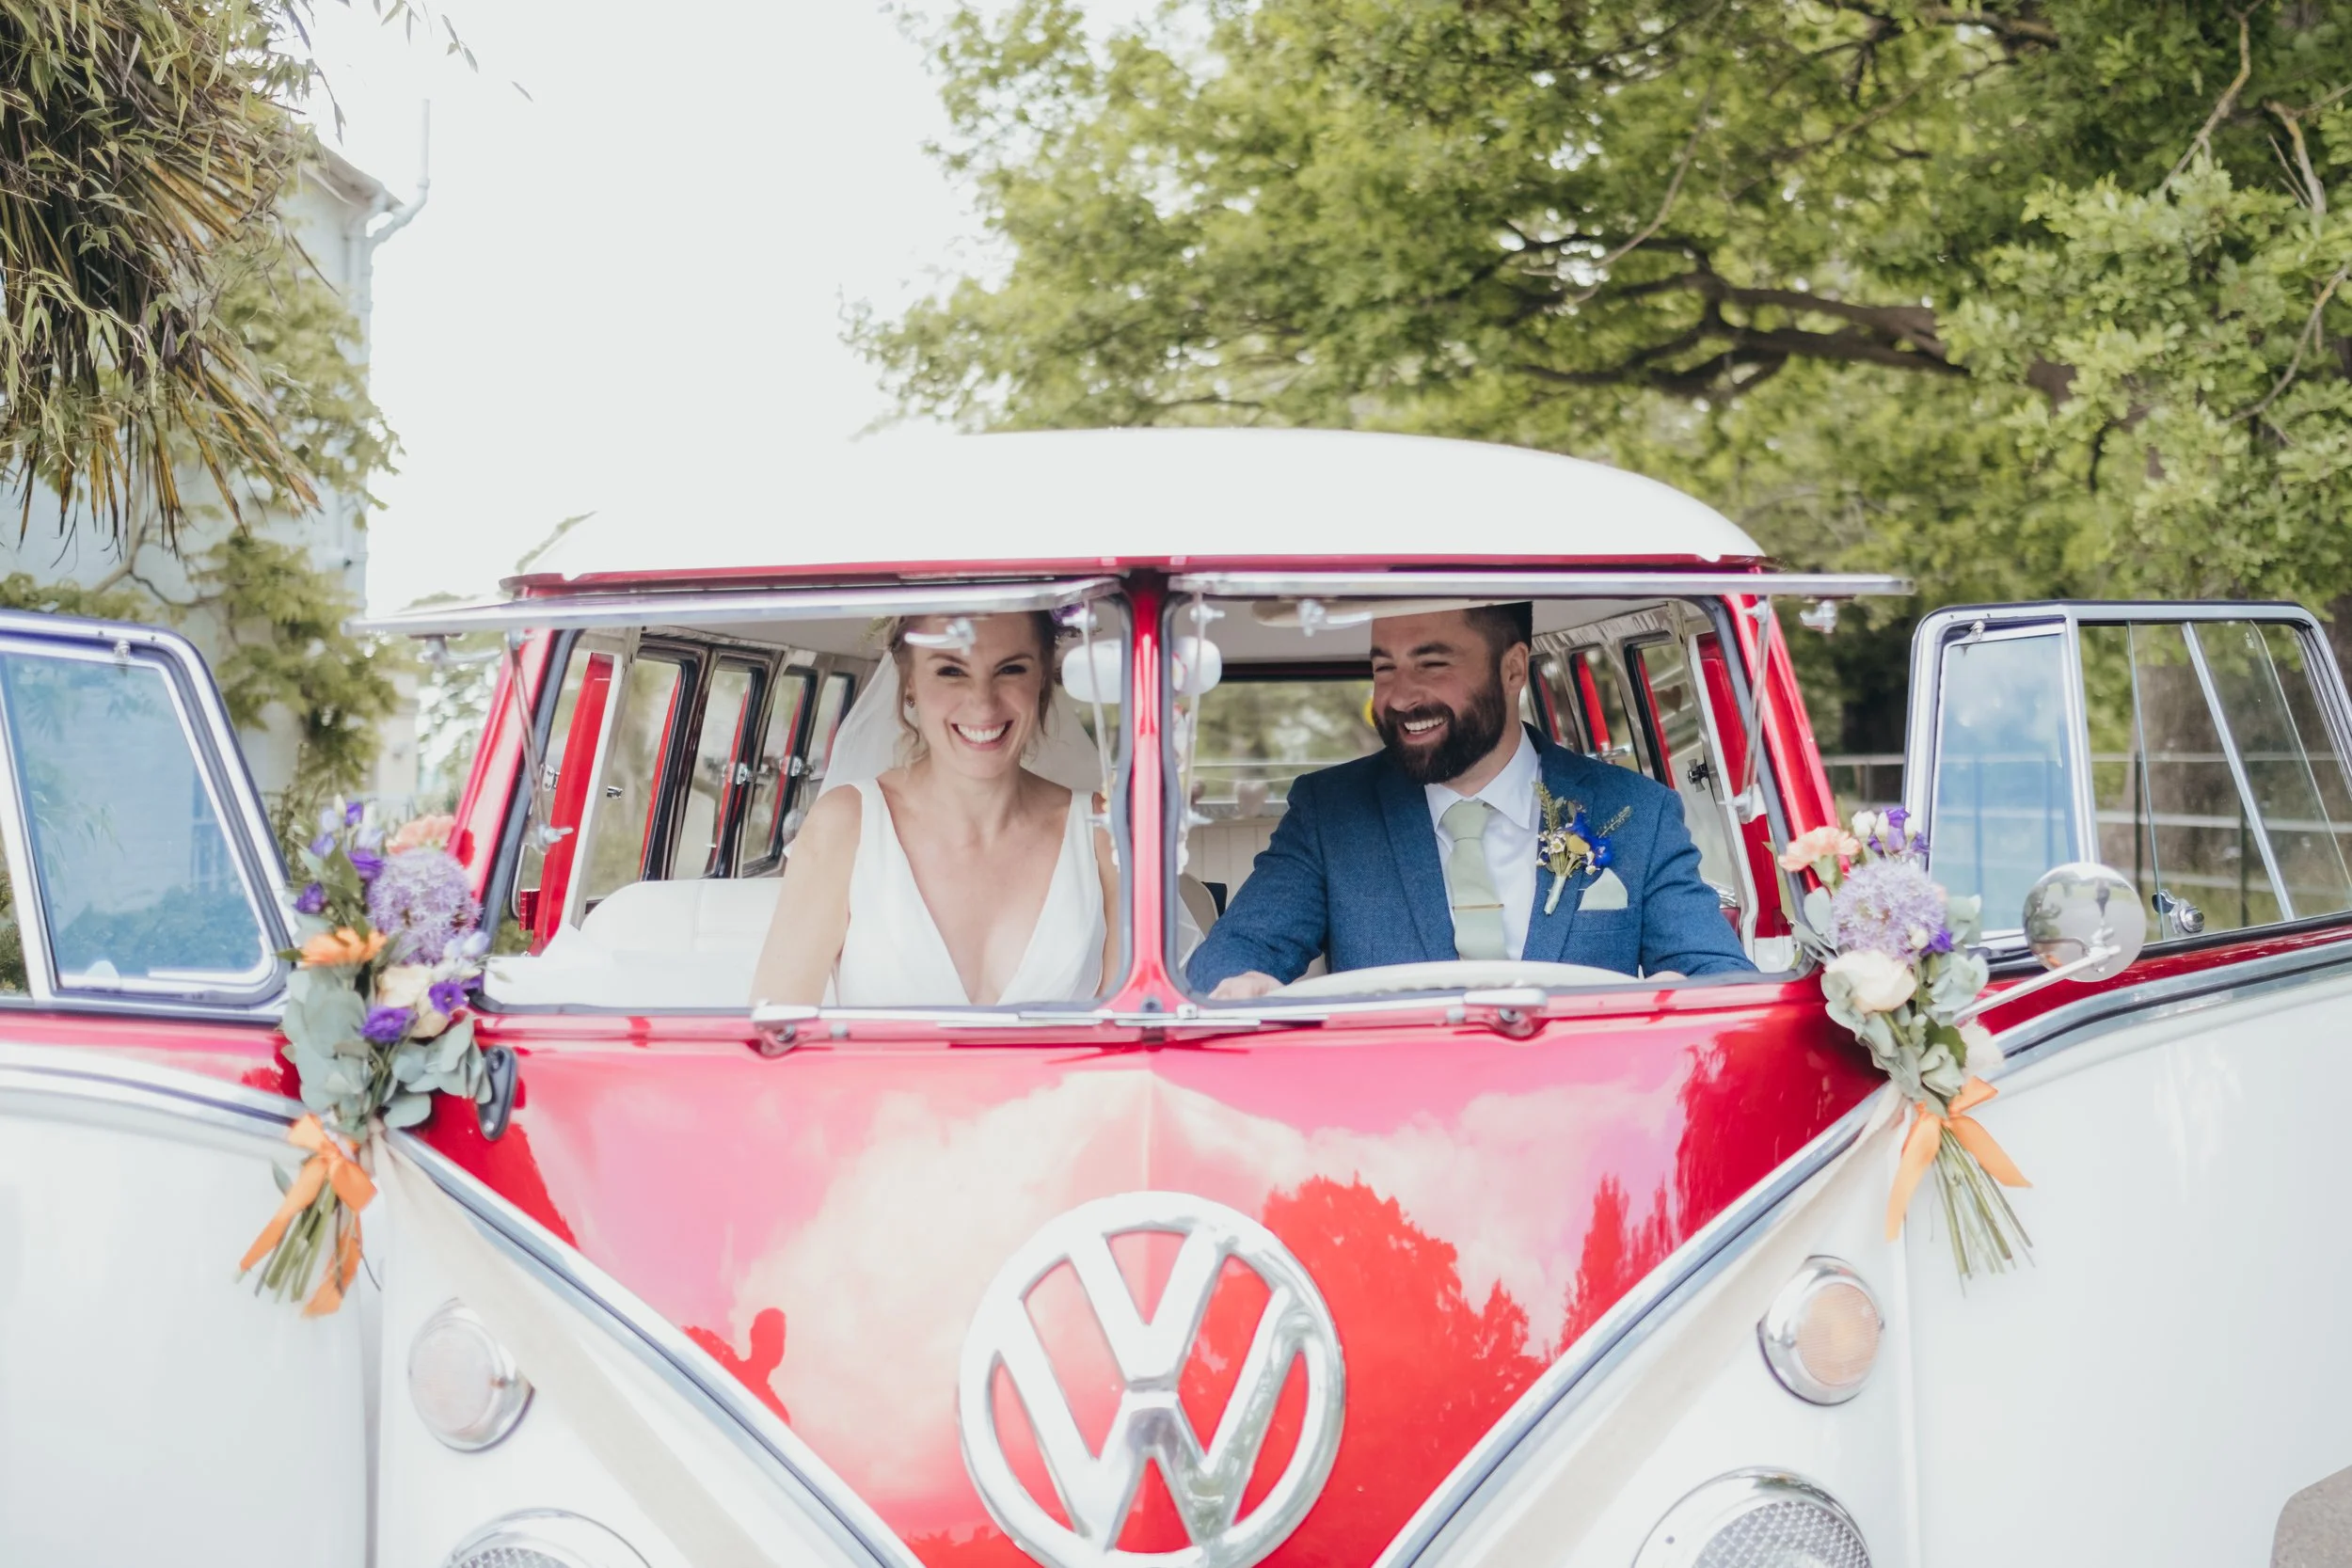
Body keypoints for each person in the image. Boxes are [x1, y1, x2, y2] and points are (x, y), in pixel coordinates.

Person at [1186, 602, 1754, 999]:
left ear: (1512, 670)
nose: (1400, 695)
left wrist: (1680, 990)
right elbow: (1239, 949)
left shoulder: (1636, 811)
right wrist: (1244, 982)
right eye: (1384, 668)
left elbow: (1715, 971)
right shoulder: (1330, 811)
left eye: (1432, 664)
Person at [752, 612, 1118, 1006]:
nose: (983, 702)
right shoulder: (845, 827)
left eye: (1010, 669)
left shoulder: (1102, 832)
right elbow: (776, 1032)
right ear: (910, 681)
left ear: (1042, 679)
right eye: (950, 672)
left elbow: (1137, 1034)